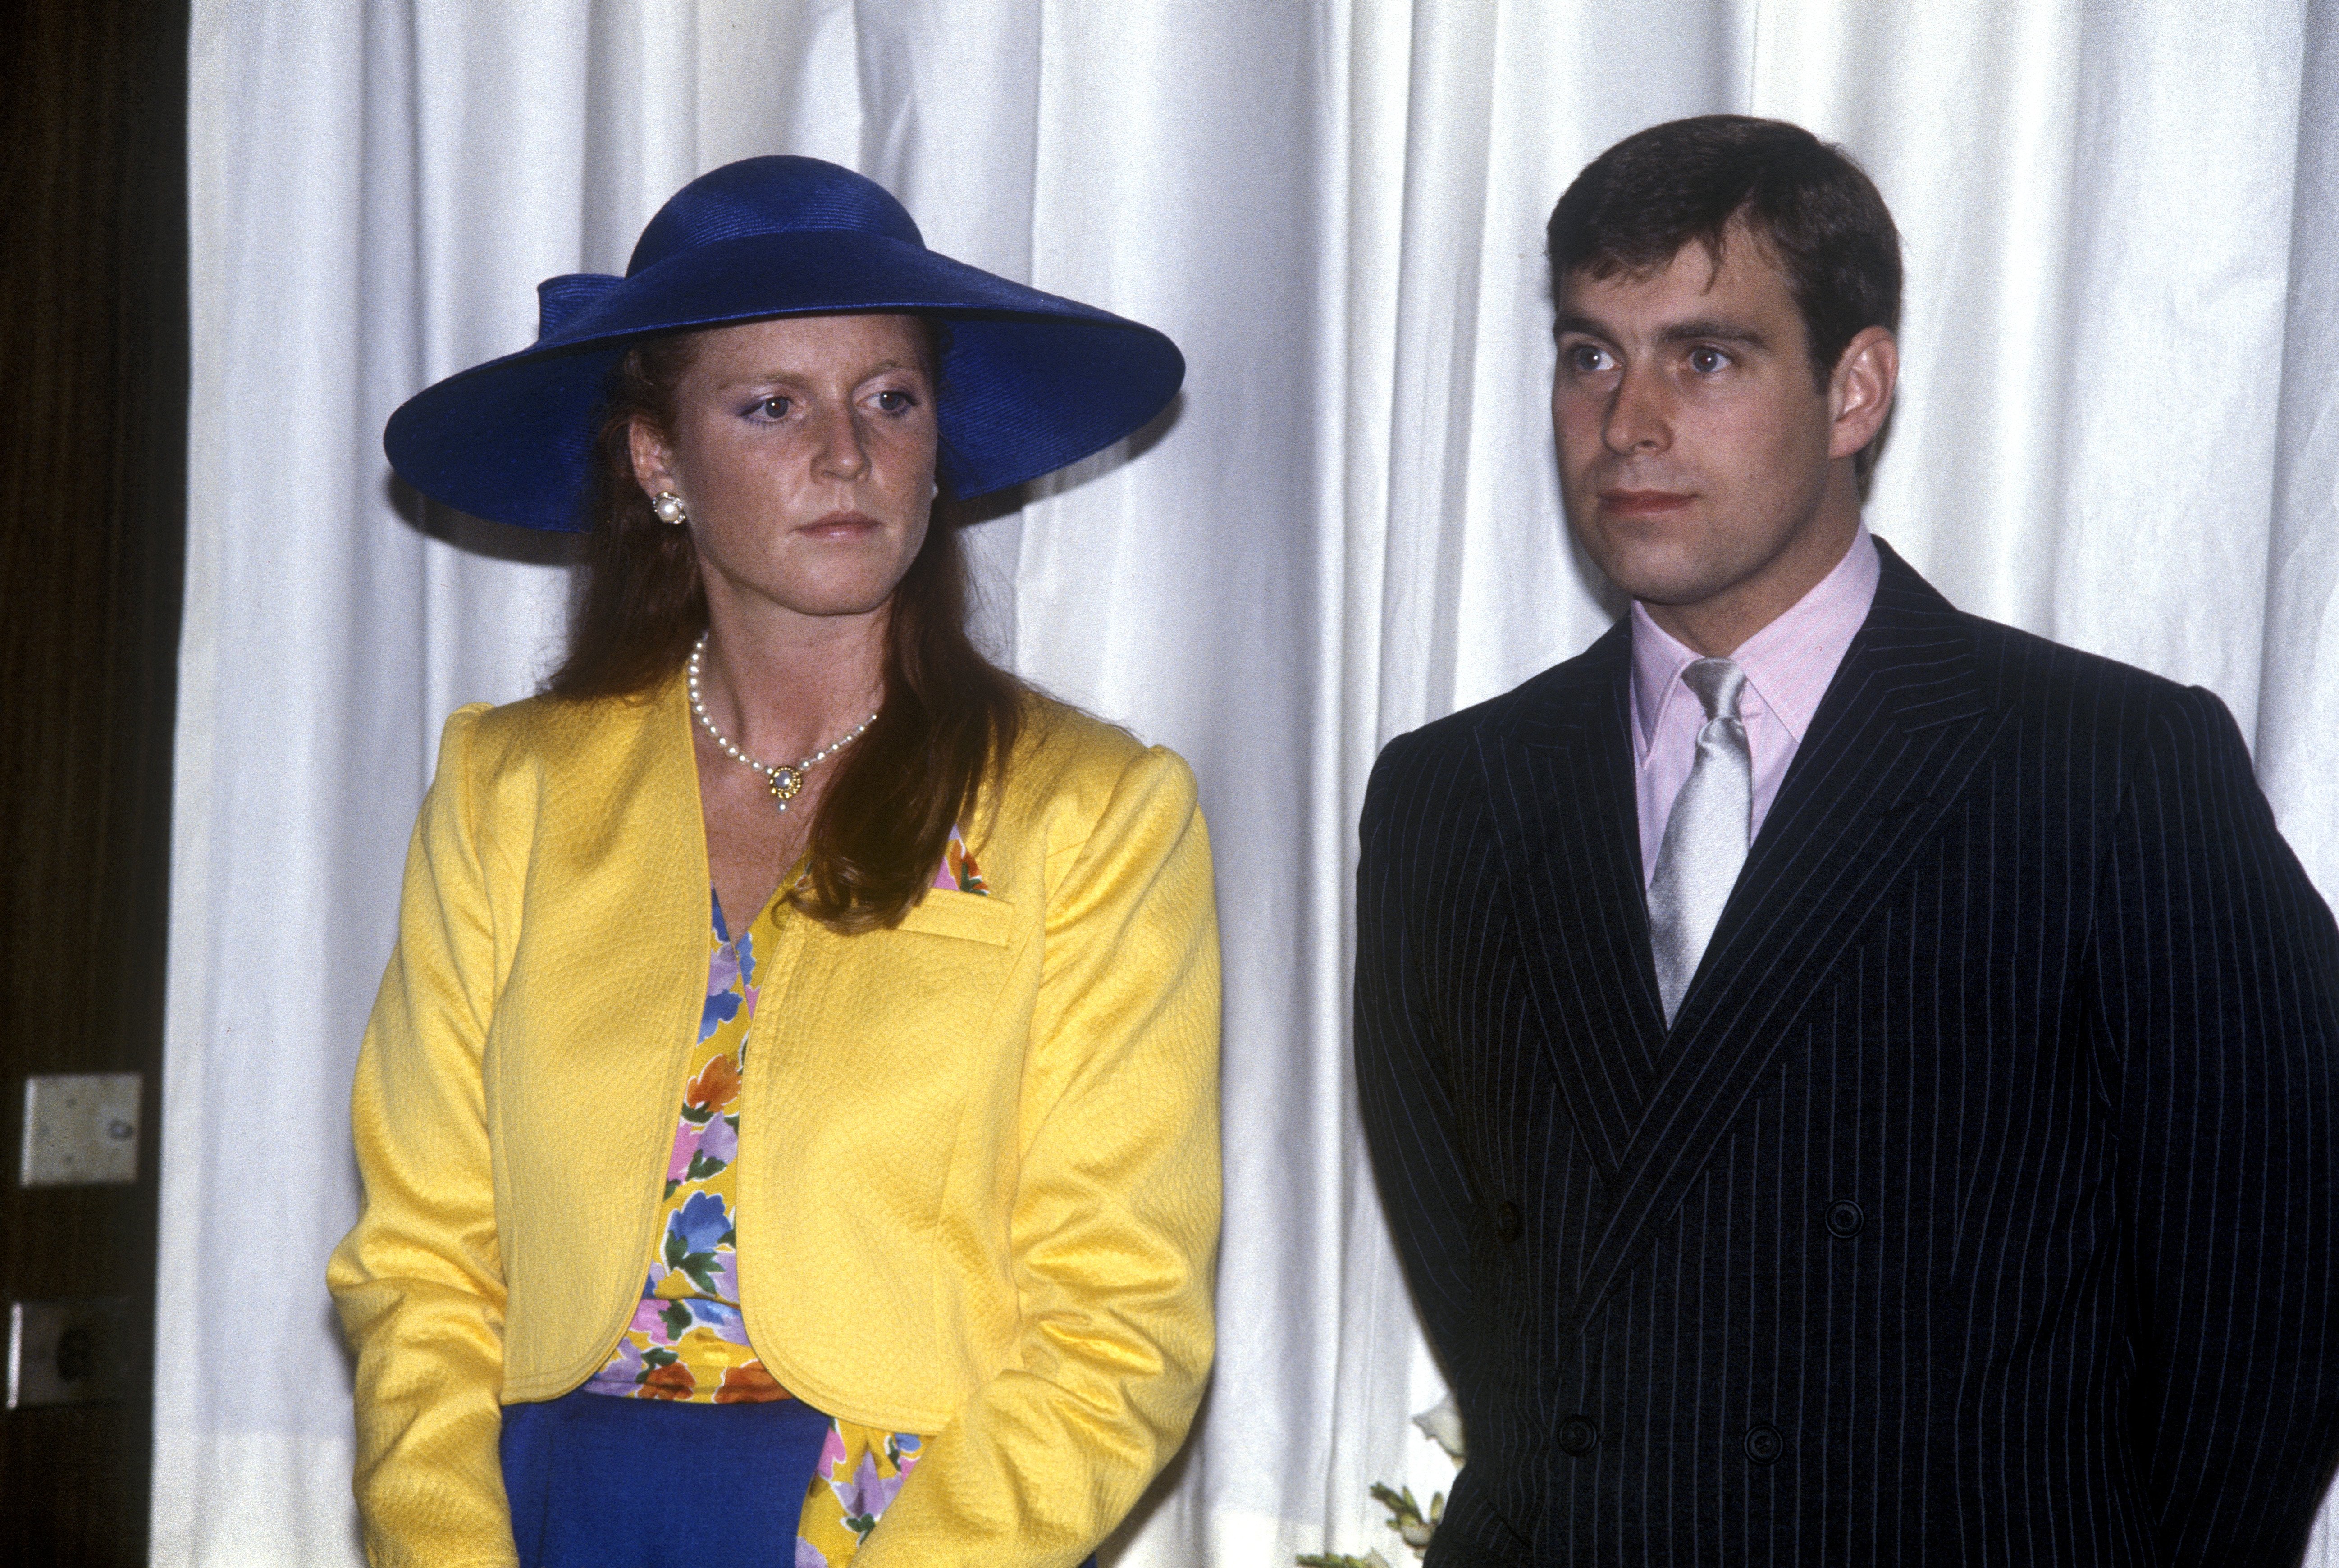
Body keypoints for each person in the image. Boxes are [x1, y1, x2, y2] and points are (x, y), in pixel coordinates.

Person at [1355, 115, 2339, 1565]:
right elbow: (1503, 1327)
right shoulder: (1451, 796)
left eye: (1705, 357)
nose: (1628, 424)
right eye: (1589, 355)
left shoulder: (2107, 769)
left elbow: (2283, 1285)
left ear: (1856, 387)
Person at [328, 155, 1220, 1568]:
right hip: (548, 1509)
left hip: (901, 1528)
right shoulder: (512, 789)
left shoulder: (1092, 812)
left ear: (937, 440)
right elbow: (420, 1261)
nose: (846, 454)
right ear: (659, 460)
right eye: (769, 406)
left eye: (889, 399)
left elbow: (1124, 1315)